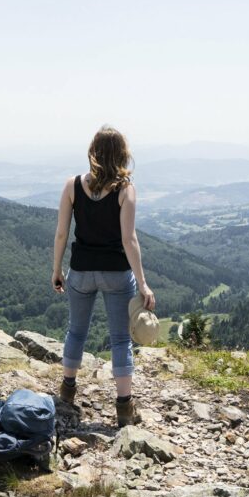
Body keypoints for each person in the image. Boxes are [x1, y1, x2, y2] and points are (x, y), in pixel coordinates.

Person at [51, 125, 156, 427]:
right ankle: (124, 408)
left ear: (93, 152)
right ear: (122, 154)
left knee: (76, 332)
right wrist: (144, 284)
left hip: (81, 270)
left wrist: (57, 270)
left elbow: (61, 233)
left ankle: (67, 394)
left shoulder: (72, 185)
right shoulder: (126, 190)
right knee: (121, 339)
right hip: (116, 274)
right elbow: (129, 240)